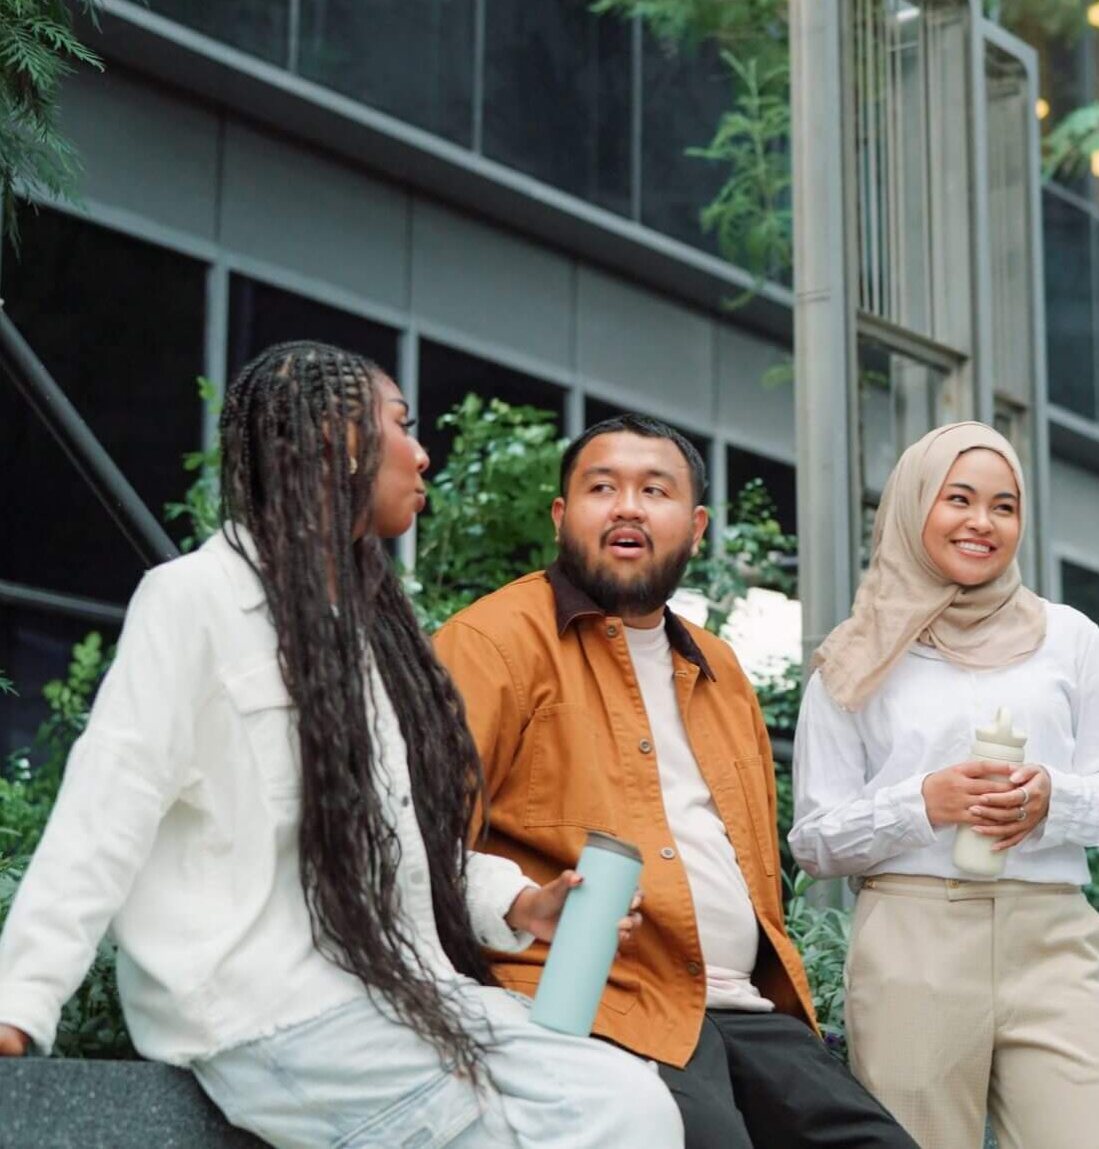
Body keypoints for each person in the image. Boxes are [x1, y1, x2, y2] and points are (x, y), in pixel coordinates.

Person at [0, 342, 680, 1149]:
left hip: (394, 998)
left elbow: (388, 846)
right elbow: (105, 809)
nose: (423, 452)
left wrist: (520, 905)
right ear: (336, 438)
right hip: (271, 1015)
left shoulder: (366, 634)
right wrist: (15, 1006)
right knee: (603, 1117)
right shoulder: (195, 599)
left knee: (634, 1103)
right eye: (401, 424)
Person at [432, 412, 917, 1149]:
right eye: (602, 487)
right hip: (597, 998)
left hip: (742, 1006)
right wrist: (527, 903)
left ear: (693, 528)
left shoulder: (719, 667)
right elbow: (424, 846)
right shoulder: (490, 641)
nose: (627, 505)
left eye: (653, 489)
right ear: (563, 516)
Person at [789, 421, 1099, 1149]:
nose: (982, 522)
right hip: (912, 937)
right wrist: (923, 803)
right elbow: (813, 839)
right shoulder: (855, 656)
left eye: (1004, 505)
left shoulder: (1070, 637)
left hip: (1053, 932)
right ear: (913, 503)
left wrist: (1053, 796)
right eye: (958, 498)